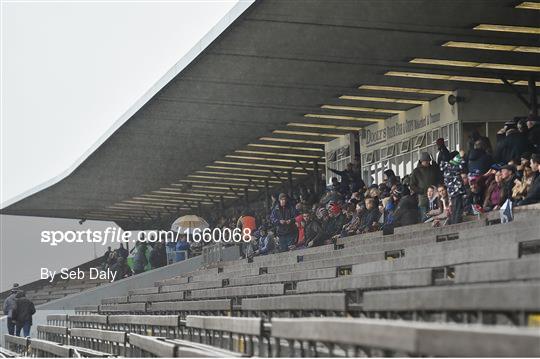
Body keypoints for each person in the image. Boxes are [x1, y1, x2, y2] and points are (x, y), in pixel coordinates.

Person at [410, 152, 442, 220]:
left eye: (429, 161)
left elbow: (438, 178)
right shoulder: (416, 171)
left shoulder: (433, 169)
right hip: (423, 198)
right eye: (426, 161)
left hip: (434, 197)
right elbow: (412, 185)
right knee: (424, 218)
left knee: (435, 216)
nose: (428, 162)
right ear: (422, 161)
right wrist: (422, 191)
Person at [440, 153, 466, 225]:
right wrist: (462, 157)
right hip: (457, 191)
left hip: (451, 192)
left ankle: (454, 222)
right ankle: (456, 223)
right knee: (457, 208)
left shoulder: (445, 168)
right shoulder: (452, 167)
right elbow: (461, 166)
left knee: (454, 208)